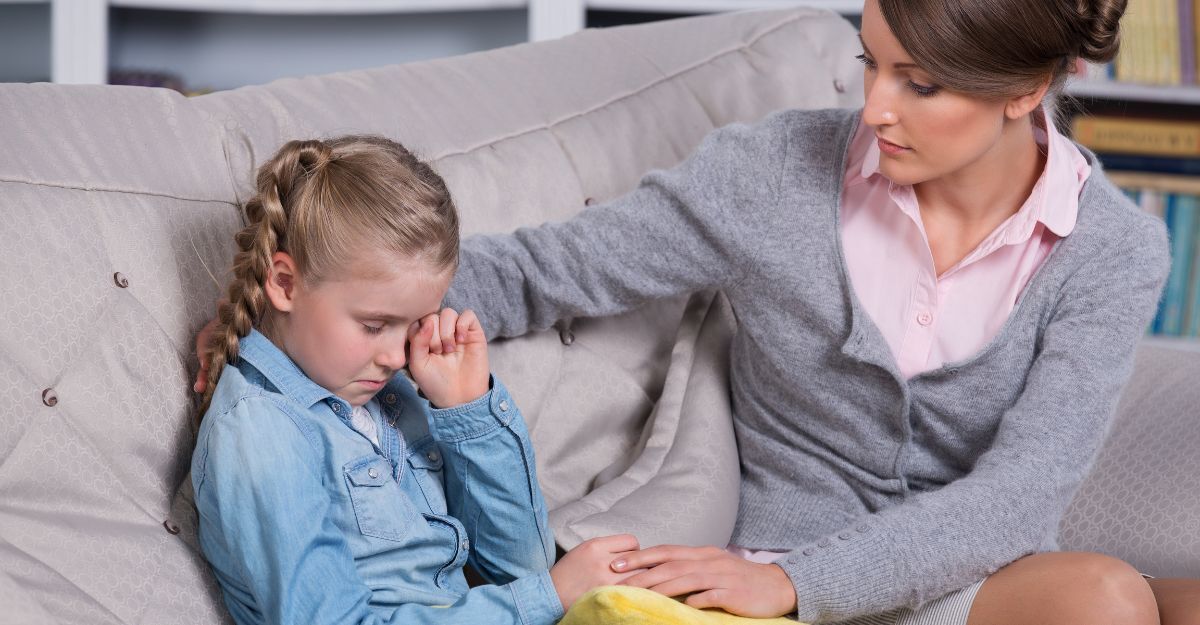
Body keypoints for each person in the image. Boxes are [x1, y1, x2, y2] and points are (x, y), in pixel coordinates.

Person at [435, 1, 1200, 624]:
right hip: (772, 567)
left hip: (963, 572)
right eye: (871, 62)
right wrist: (351, 292)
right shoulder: (773, 174)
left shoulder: (1113, 250)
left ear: (1026, 90)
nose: (874, 108)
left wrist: (807, 581)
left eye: (919, 84)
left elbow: (1021, 494)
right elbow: (547, 269)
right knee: (1108, 602)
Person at [191, 136, 638, 625]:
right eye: (374, 325)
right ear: (284, 284)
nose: (395, 355)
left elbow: (518, 569)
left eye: (418, 322)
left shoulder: (390, 396)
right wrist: (546, 596)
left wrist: (467, 410)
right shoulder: (262, 433)